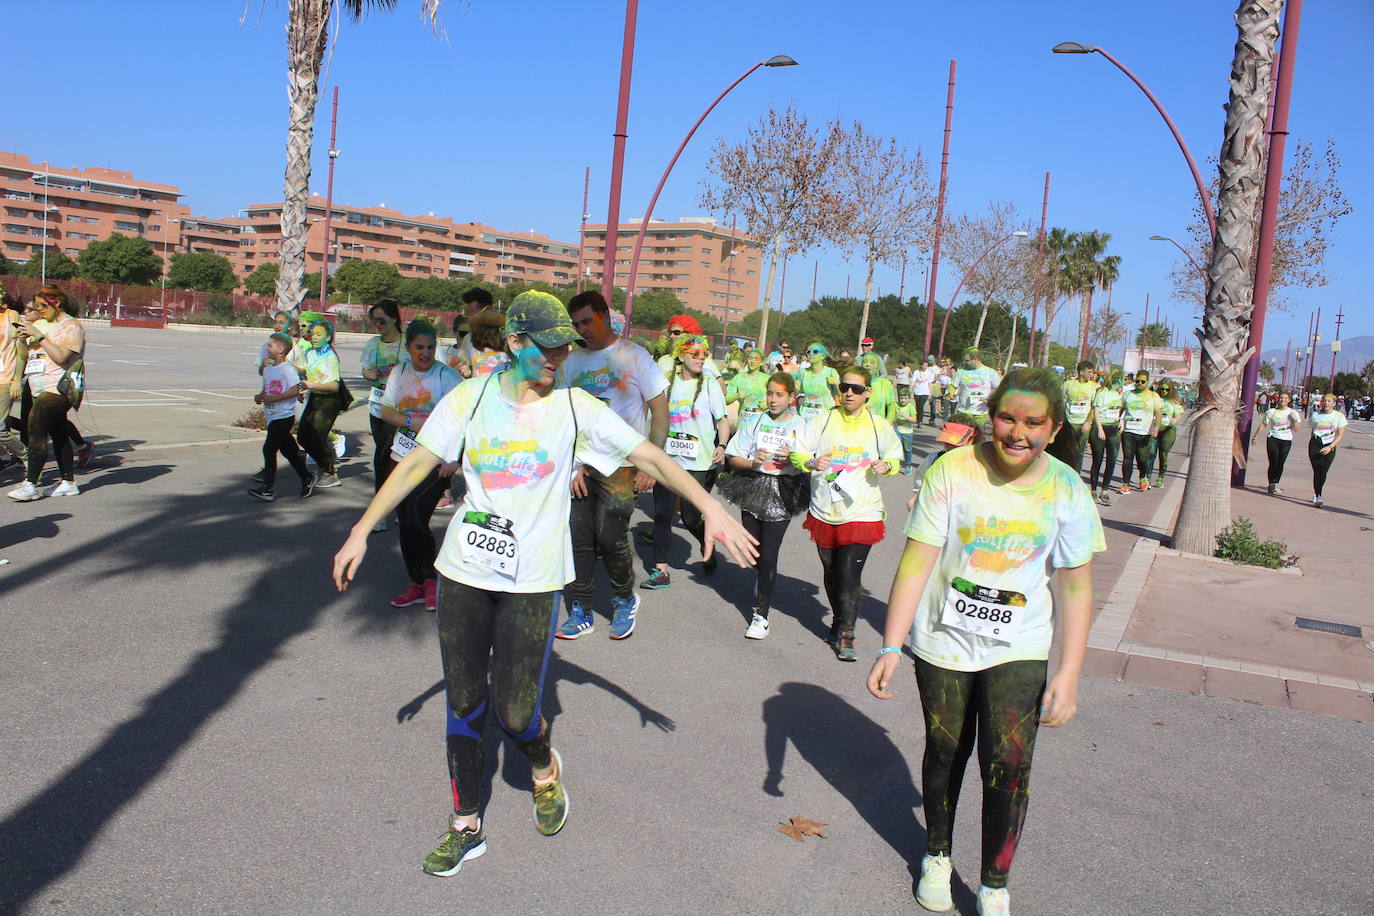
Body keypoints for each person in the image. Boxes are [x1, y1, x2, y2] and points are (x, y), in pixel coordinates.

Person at [330, 291, 756, 877]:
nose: (559, 355)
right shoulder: (472, 397)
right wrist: (360, 529)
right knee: (464, 701)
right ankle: (466, 825)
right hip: (464, 572)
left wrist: (711, 506)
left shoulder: (575, 408)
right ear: (514, 344)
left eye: (565, 345)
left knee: (514, 711)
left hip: (532, 580)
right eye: (548, 346)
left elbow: (651, 457)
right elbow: (416, 463)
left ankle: (542, 763)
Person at [868, 367, 1104, 916]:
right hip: (943, 642)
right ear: (991, 416)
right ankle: (937, 855)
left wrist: (1068, 673)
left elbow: (1075, 585)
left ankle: (995, 882)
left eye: (1033, 423)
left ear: (1055, 427)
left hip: (1019, 645)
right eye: (1007, 418)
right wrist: (890, 645)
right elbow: (918, 561)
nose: (1017, 433)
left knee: (1010, 762)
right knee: (947, 749)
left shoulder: (1066, 487)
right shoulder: (952, 471)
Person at [555, 290, 668, 640]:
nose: (582, 329)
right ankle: (581, 609)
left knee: (610, 535)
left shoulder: (634, 356)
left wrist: (651, 463)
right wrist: (571, 463)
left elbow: (661, 412)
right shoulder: (571, 363)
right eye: (576, 324)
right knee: (579, 539)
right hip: (580, 465)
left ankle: (623, 599)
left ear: (604, 315)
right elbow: (561, 415)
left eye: (587, 321)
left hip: (621, 464)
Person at [791, 365, 904, 661]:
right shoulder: (824, 420)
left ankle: (847, 634)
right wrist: (811, 462)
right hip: (826, 507)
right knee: (831, 572)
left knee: (849, 574)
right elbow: (798, 449)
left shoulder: (879, 425)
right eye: (844, 388)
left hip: (863, 510)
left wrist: (887, 466)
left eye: (856, 389)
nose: (849, 393)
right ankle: (839, 620)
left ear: (868, 393)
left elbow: (895, 456)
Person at [719, 372, 809, 639]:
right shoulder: (755, 420)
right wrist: (753, 462)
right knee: (755, 551)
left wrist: (794, 459)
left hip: (784, 489)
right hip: (753, 485)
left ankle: (761, 615)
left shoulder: (803, 425)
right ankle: (763, 579)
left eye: (779, 394)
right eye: (770, 393)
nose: (772, 399)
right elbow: (733, 458)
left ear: (792, 397)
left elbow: (810, 461)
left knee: (770, 553)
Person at [380, 319, 462, 611]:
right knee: (404, 522)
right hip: (401, 456)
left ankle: (431, 580)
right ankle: (415, 582)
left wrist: (454, 458)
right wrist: (408, 421)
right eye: (419, 347)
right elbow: (385, 410)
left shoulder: (447, 376)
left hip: (435, 460)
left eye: (430, 347)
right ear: (409, 347)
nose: (425, 353)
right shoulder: (399, 373)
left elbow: (464, 419)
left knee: (417, 516)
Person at [641, 333, 730, 589]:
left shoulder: (711, 384)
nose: (701, 359)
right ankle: (660, 570)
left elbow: (722, 420)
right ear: (681, 356)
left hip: (699, 463)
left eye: (705, 355)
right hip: (668, 460)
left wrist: (721, 445)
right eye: (695, 354)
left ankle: (706, 543)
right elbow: (652, 418)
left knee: (691, 518)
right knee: (663, 513)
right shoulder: (667, 385)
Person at [8, 287, 85, 502]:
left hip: (59, 387)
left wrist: (39, 337)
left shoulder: (71, 326)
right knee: (59, 433)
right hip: (37, 386)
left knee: (35, 428)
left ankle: (31, 483)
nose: (39, 311)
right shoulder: (40, 324)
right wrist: (23, 339)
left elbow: (61, 357)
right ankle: (68, 482)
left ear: (56, 303)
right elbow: (25, 354)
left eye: (42, 306)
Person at [247, 333, 314, 501]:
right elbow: (267, 389)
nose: (267, 348)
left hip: (284, 415)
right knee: (290, 451)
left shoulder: (288, 369)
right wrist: (261, 395)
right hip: (272, 415)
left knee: (269, 449)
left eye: (270, 345)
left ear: (281, 349)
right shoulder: (269, 369)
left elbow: (294, 389)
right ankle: (307, 477)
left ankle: (268, 489)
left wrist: (274, 398)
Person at [361, 299, 406, 526]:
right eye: (374, 321)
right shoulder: (372, 344)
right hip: (377, 407)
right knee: (385, 456)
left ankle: (382, 512)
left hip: (400, 410)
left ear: (394, 319)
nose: (377, 325)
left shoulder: (408, 344)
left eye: (382, 320)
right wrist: (369, 374)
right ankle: (393, 506)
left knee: (385, 459)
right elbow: (365, 370)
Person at [297, 318, 345, 489]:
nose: (314, 337)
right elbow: (307, 371)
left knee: (316, 437)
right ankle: (326, 459)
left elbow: (334, 385)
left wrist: (310, 385)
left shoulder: (330, 357)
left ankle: (330, 472)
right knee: (303, 436)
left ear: (328, 337)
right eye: (313, 333)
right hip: (315, 397)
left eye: (319, 334)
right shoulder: (311, 353)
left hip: (329, 401)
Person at [1118, 370, 1161, 494]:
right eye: (1138, 381)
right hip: (1129, 431)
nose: (1140, 384)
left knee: (1142, 459)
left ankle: (1143, 477)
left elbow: (1158, 413)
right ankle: (1126, 484)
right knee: (1127, 458)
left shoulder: (1153, 396)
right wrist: (1117, 421)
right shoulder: (1128, 394)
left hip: (1144, 432)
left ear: (1148, 382)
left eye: (1143, 382)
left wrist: (1156, 428)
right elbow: (1121, 409)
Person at [1252, 390, 1301, 495]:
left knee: (1280, 462)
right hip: (1273, 438)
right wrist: (1255, 437)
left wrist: (1294, 420)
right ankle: (1271, 483)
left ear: (1289, 400)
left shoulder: (1293, 413)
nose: (1283, 400)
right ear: (1278, 399)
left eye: (1285, 398)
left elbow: (1296, 429)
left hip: (1286, 440)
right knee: (1273, 461)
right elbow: (1263, 424)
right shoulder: (1271, 411)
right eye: (1281, 398)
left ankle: (1276, 483)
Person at [1086, 372, 1123, 506]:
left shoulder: (1118, 394)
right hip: (1101, 428)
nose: (1122, 383)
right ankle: (1094, 490)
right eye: (1120, 380)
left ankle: (1105, 491)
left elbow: (1119, 409)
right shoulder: (1102, 392)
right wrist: (1100, 428)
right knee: (1098, 460)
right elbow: (1096, 411)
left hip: (1113, 428)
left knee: (1112, 460)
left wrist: (1121, 421)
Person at [1308, 393, 1348, 508]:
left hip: (1330, 444)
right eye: (1324, 401)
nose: (1326, 403)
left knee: (1324, 471)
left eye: (1329, 401)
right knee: (1318, 470)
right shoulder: (1315, 415)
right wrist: (1314, 444)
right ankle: (1318, 495)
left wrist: (1330, 446)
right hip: (1316, 444)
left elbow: (1340, 435)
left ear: (1334, 403)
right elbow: (1312, 430)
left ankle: (1317, 492)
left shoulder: (1339, 416)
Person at [1062, 361, 1099, 474]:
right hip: (1068, 423)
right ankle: (1064, 475)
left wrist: (1088, 423)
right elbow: (1060, 402)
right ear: (1081, 372)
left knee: (1079, 452)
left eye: (1092, 372)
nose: (1091, 375)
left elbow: (1094, 406)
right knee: (1066, 451)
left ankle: (1076, 475)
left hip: (1083, 424)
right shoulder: (1068, 384)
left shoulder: (1094, 386)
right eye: (1089, 372)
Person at [953, 348, 1001, 432]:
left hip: (980, 414)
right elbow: (953, 386)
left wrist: (990, 399)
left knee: (975, 440)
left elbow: (1000, 389)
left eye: (967, 360)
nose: (965, 362)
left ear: (975, 359)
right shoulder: (961, 371)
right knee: (958, 439)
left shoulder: (990, 372)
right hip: (962, 412)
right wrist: (950, 394)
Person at [793, 341, 840, 421]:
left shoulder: (831, 372)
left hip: (824, 417)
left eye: (815, 352)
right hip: (805, 416)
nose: (811, 354)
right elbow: (798, 391)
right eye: (808, 352)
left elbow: (839, 395)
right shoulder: (802, 372)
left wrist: (836, 384)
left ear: (823, 356)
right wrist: (794, 388)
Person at [1153, 380, 1184, 486]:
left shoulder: (1174, 401)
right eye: (1163, 389)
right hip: (1154, 429)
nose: (1165, 391)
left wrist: (1175, 419)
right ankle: (1146, 476)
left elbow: (1179, 414)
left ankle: (1160, 477)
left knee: (1163, 454)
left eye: (1167, 389)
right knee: (1151, 453)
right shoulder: (1155, 398)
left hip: (1168, 430)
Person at [725, 347, 770, 419]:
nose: (752, 361)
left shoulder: (768, 379)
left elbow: (779, 399)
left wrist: (769, 404)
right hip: (743, 421)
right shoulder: (738, 378)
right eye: (750, 358)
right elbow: (726, 400)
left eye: (756, 359)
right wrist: (736, 396)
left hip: (762, 422)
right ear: (747, 360)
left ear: (761, 362)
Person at [860, 352, 896, 423]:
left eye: (872, 362)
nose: (867, 365)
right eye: (864, 362)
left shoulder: (885, 384)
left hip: (879, 427)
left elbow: (891, 407)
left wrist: (886, 424)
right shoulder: (856, 382)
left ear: (878, 366)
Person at [894, 387, 919, 475]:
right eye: (901, 398)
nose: (903, 400)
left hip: (907, 432)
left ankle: (908, 465)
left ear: (909, 398)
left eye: (905, 398)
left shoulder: (910, 407)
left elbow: (914, 419)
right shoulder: (895, 404)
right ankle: (895, 465)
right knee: (896, 448)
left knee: (907, 450)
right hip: (897, 430)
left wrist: (906, 417)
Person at [910, 356, 937, 427]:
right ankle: (917, 419)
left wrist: (930, 393)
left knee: (921, 406)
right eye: (924, 365)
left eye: (926, 365)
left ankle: (920, 422)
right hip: (917, 391)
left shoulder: (929, 373)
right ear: (921, 365)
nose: (925, 367)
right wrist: (910, 389)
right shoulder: (916, 372)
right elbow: (913, 381)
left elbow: (930, 383)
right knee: (917, 406)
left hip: (925, 392)